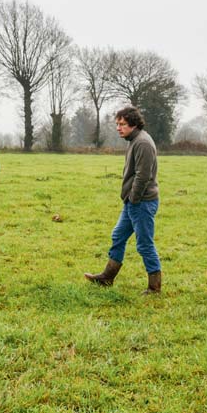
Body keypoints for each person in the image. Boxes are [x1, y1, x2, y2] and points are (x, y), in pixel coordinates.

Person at [84, 106, 162, 294]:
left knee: (144, 244)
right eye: (117, 124)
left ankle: (154, 287)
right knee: (118, 235)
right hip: (132, 202)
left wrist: (134, 199)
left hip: (141, 202)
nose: (118, 128)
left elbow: (142, 176)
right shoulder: (134, 140)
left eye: (122, 124)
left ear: (133, 124)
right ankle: (107, 278)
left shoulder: (142, 143)